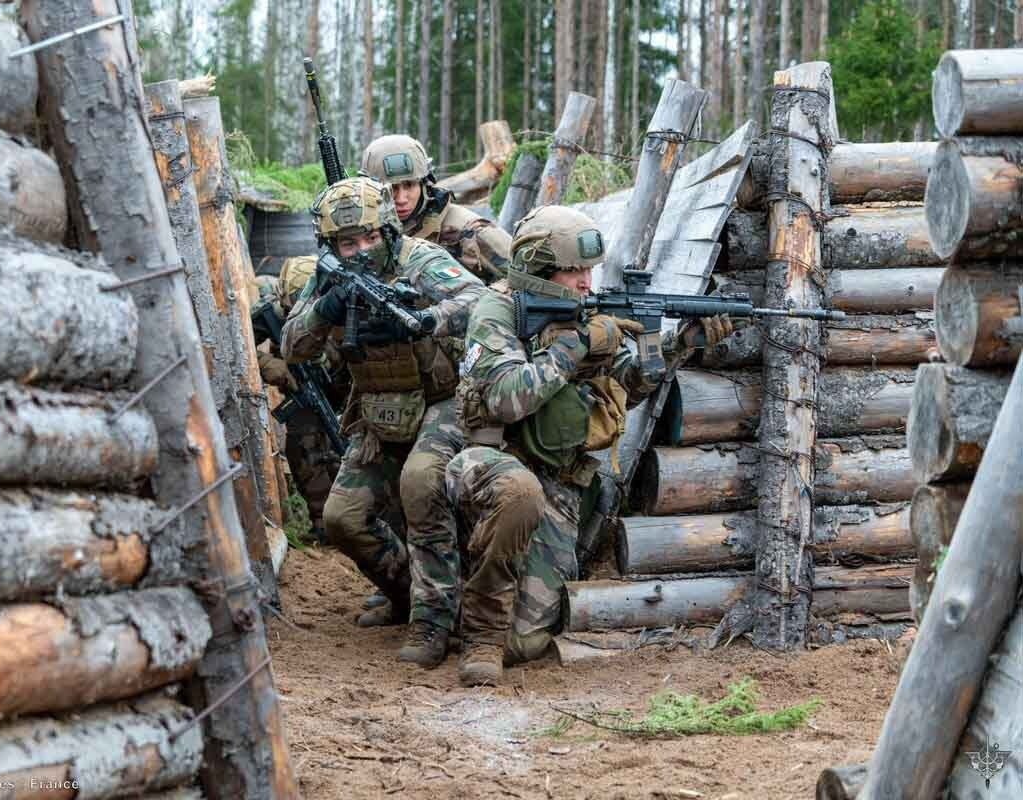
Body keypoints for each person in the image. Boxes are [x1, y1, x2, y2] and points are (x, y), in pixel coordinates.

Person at [446, 205, 733, 686]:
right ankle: (480, 636)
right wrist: (577, 343)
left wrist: (679, 344)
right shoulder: (498, 310)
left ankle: (477, 609)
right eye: (573, 270)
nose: (585, 281)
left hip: (559, 482)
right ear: (539, 270)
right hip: (494, 464)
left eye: (589, 270)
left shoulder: (587, 311)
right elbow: (506, 398)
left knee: (527, 644)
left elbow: (630, 386)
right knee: (519, 494)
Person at [281, 176, 486, 664]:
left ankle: (434, 622)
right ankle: (406, 595)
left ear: (389, 232)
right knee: (342, 518)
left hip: (442, 398)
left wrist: (427, 319)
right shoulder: (329, 277)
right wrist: (324, 309)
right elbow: (292, 345)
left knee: (421, 484)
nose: (361, 251)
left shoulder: (419, 259)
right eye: (348, 243)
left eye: (370, 238)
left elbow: (479, 300)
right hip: (378, 406)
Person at [251, 259, 344, 544]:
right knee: (304, 452)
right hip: (303, 392)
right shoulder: (272, 313)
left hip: (344, 391)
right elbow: (236, 340)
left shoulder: (339, 306)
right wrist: (269, 364)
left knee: (344, 453)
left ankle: (349, 521)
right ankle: (323, 525)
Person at [360, 134, 511, 283]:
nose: (401, 199)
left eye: (409, 185)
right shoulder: (364, 231)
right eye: (391, 189)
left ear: (424, 184)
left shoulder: (469, 229)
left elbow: (522, 282)